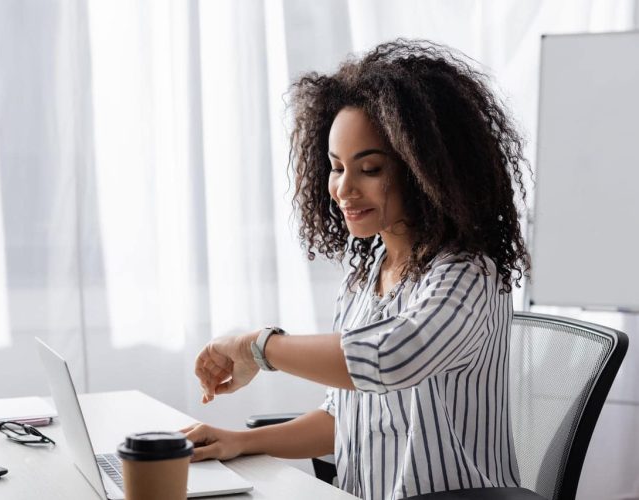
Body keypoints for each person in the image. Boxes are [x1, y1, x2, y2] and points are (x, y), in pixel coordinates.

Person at [182, 39, 531, 500]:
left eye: (369, 168)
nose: (343, 188)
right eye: (335, 167)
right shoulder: (367, 279)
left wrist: (257, 348)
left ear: (427, 169)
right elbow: (342, 417)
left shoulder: (469, 274)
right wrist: (239, 441)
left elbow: (390, 358)